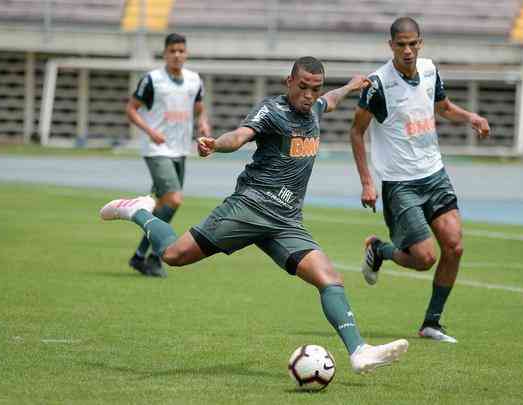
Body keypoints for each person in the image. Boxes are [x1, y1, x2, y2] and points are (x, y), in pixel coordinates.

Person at [100, 56, 409, 374]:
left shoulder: (315, 107)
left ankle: (359, 351)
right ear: (289, 82)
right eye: (302, 87)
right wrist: (215, 144)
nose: (309, 94)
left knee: (330, 280)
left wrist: (350, 86)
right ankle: (138, 211)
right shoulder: (272, 111)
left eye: (315, 88)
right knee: (173, 255)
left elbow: (328, 101)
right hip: (250, 207)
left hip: (286, 221)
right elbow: (241, 135)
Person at [350, 17, 490, 343]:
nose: (408, 50)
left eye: (413, 43)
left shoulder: (429, 70)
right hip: (400, 184)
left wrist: (471, 117)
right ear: (391, 46)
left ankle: (432, 323)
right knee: (424, 259)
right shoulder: (378, 84)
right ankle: (380, 250)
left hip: (434, 174)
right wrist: (367, 182)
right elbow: (356, 132)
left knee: (454, 246)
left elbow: (442, 107)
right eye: (401, 45)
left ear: (420, 43)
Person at [125, 33, 211, 277]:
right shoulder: (152, 80)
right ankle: (155, 254)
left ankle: (142, 256)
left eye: (181, 51)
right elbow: (131, 109)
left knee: (165, 205)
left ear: (186, 53)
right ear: (165, 53)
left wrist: (203, 124)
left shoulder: (194, 80)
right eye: (172, 51)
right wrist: (150, 132)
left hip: (181, 150)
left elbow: (200, 110)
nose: (177, 55)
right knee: (173, 199)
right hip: (157, 150)